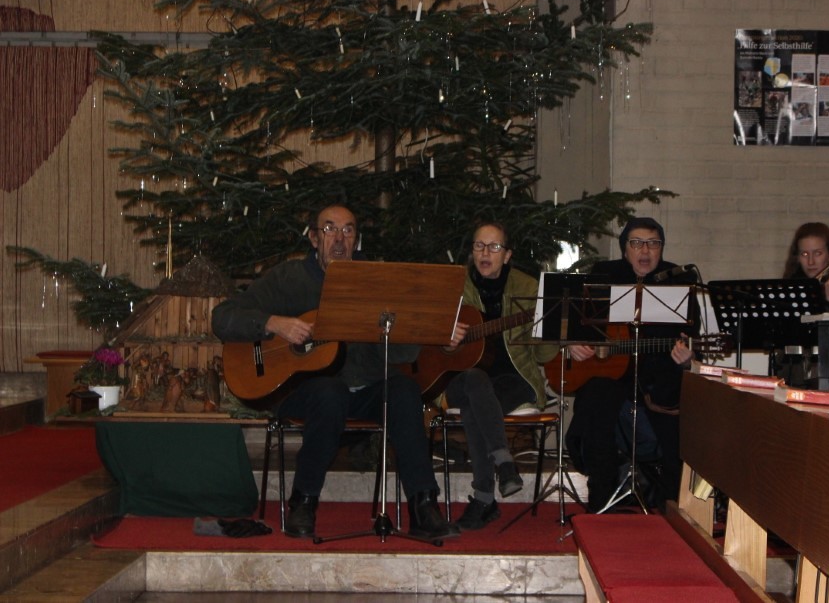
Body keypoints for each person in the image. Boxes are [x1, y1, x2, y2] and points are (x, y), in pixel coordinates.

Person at [211, 204, 458, 541]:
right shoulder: (288, 279)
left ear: (356, 239)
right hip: (303, 394)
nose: (339, 238)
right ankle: (303, 501)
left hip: (367, 391)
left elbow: (401, 353)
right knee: (330, 392)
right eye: (330, 229)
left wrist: (427, 332)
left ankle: (424, 504)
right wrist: (273, 323)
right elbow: (222, 317)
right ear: (314, 238)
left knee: (404, 390)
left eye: (348, 230)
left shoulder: (376, 281)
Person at [565, 217, 698, 512]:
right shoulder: (604, 274)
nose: (645, 250)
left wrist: (687, 357)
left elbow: (692, 339)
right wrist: (573, 342)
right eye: (636, 243)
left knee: (676, 409)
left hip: (659, 384)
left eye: (653, 243)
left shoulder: (677, 280)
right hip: (613, 381)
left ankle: (669, 502)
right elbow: (574, 321)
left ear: (661, 248)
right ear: (625, 249)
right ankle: (601, 495)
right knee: (597, 396)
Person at [441, 222, 560, 530]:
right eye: (479, 246)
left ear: (507, 255)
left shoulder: (528, 288)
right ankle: (504, 464)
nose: (485, 253)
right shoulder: (454, 284)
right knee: (475, 381)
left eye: (494, 247)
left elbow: (543, 357)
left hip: (514, 378)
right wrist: (444, 340)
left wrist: (550, 331)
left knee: (476, 402)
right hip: (458, 376)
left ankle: (484, 498)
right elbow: (428, 336)